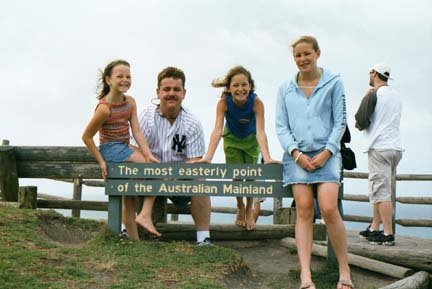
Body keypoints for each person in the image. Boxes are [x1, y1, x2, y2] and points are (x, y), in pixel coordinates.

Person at [275, 36, 353, 289]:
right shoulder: (285, 88)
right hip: (297, 157)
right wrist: (296, 154)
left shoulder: (334, 83)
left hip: (327, 155)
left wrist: (328, 152)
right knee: (305, 209)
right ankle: (305, 275)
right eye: (298, 55)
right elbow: (281, 127)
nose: (302, 59)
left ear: (317, 53)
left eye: (307, 54)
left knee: (329, 208)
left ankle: (344, 271)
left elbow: (340, 122)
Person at [82, 59, 161, 240]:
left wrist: (147, 153)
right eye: (120, 76)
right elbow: (86, 137)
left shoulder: (130, 102)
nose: (125, 80)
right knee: (155, 171)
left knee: (132, 195)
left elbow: (137, 131)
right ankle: (144, 216)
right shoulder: (104, 109)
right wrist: (101, 161)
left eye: (128, 76)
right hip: (111, 149)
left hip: (125, 146)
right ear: (108, 80)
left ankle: (134, 240)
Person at [134, 66, 212, 245]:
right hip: (148, 179)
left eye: (176, 89)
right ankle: (125, 229)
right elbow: (134, 149)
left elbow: (194, 162)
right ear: (158, 92)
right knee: (129, 174)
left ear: (184, 93)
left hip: (179, 181)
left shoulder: (192, 123)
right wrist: (158, 173)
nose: (171, 93)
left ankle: (203, 238)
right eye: (166, 89)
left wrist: (172, 177)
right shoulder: (146, 116)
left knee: (200, 180)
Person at [195, 65, 278, 231]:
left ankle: (249, 208)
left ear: (250, 86)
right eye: (236, 85)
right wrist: (208, 157)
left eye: (244, 85)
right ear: (229, 88)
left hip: (251, 139)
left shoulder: (257, 102)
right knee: (237, 176)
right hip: (232, 138)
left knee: (251, 176)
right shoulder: (223, 103)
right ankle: (240, 206)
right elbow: (217, 130)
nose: (240, 89)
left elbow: (261, 131)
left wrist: (267, 157)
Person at [355, 62, 403, 246]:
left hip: (379, 147)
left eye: (370, 72)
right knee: (380, 189)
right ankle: (375, 228)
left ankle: (388, 233)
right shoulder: (396, 95)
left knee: (380, 191)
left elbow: (360, 120)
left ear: (374, 73)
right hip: (395, 148)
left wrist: (365, 97)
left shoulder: (373, 94)